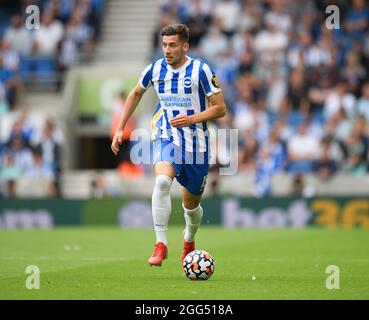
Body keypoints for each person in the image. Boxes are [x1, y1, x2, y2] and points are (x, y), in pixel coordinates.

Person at [111, 24, 227, 266]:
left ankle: (189, 239)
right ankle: (160, 244)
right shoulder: (155, 69)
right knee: (162, 181)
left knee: (191, 205)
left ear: (185, 46)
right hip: (166, 136)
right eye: (164, 45)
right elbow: (134, 93)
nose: (167, 50)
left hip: (197, 145)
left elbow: (220, 108)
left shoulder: (201, 70)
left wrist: (192, 119)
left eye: (172, 45)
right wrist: (121, 127)